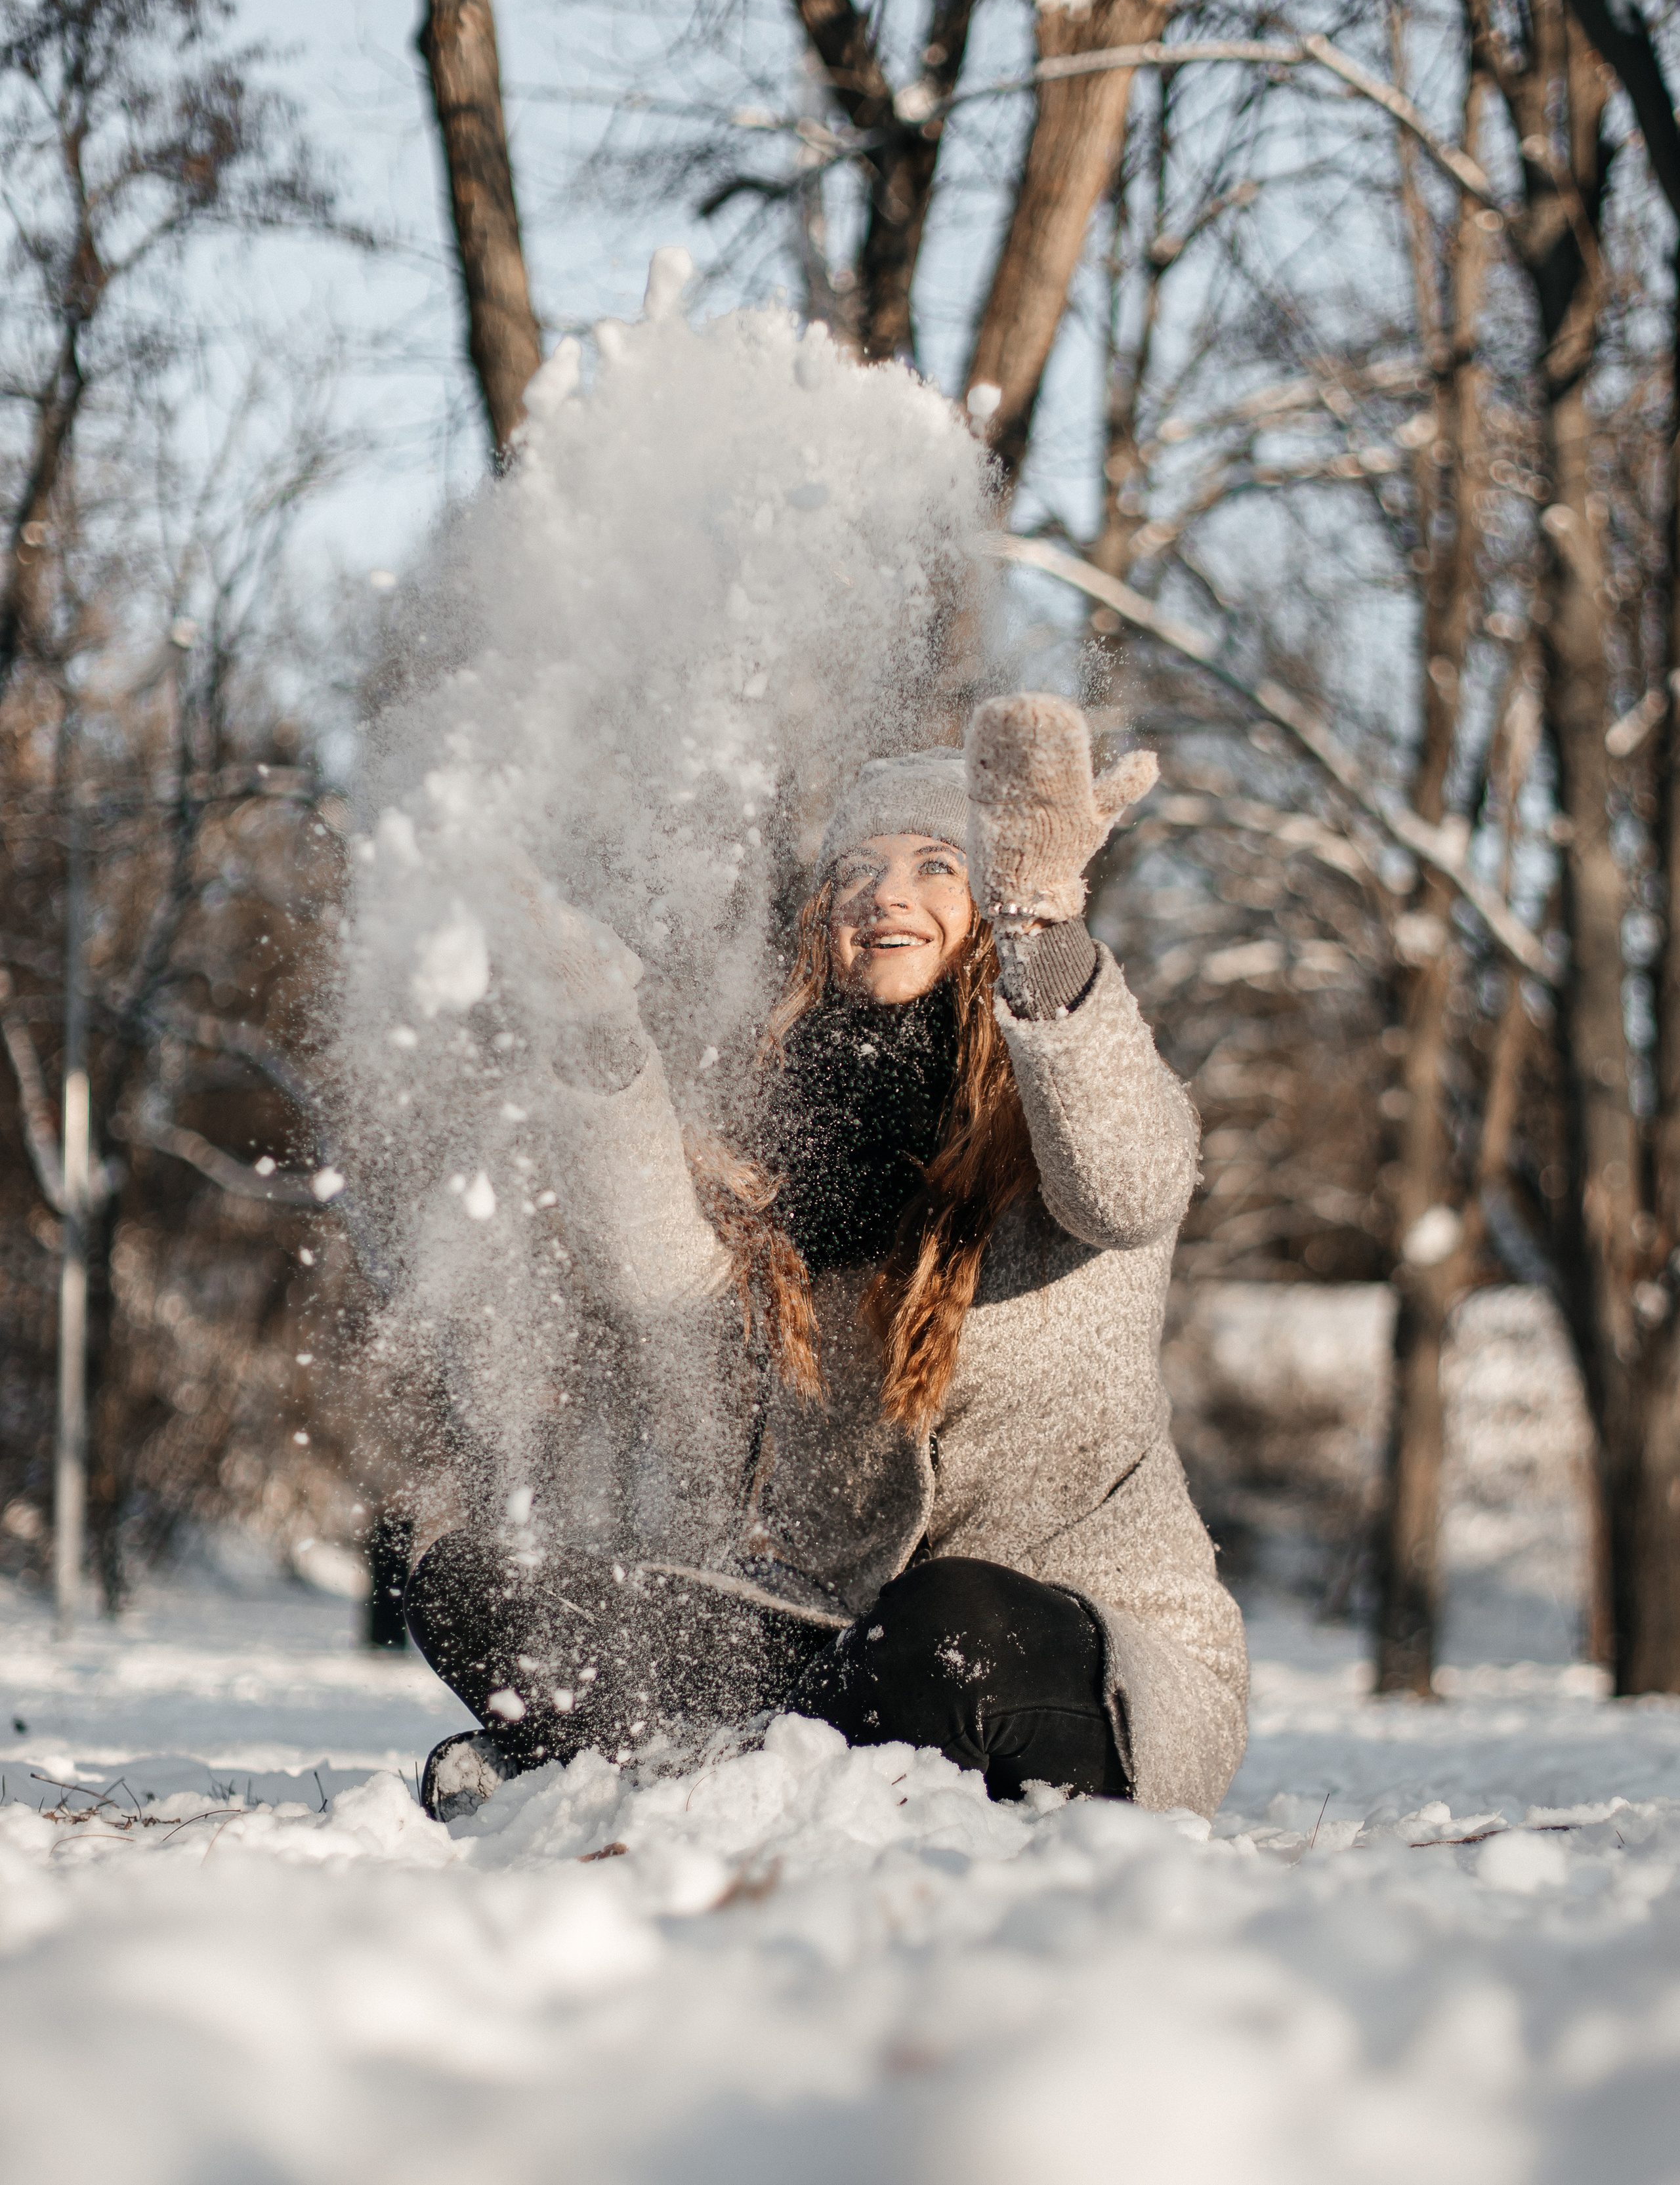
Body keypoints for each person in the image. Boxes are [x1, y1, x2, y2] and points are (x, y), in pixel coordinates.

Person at [404, 694, 1248, 1823]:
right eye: (858, 870)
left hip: (1072, 1656)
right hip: (829, 1641)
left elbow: (1130, 1182)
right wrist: (591, 1026)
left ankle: (643, 1779)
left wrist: (1045, 934)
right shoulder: (796, 1133)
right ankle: (734, 1766)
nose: (887, 893)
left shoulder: (1070, 1109)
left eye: (940, 865)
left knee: (940, 1631)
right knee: (474, 1585)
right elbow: (655, 1267)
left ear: (991, 899)